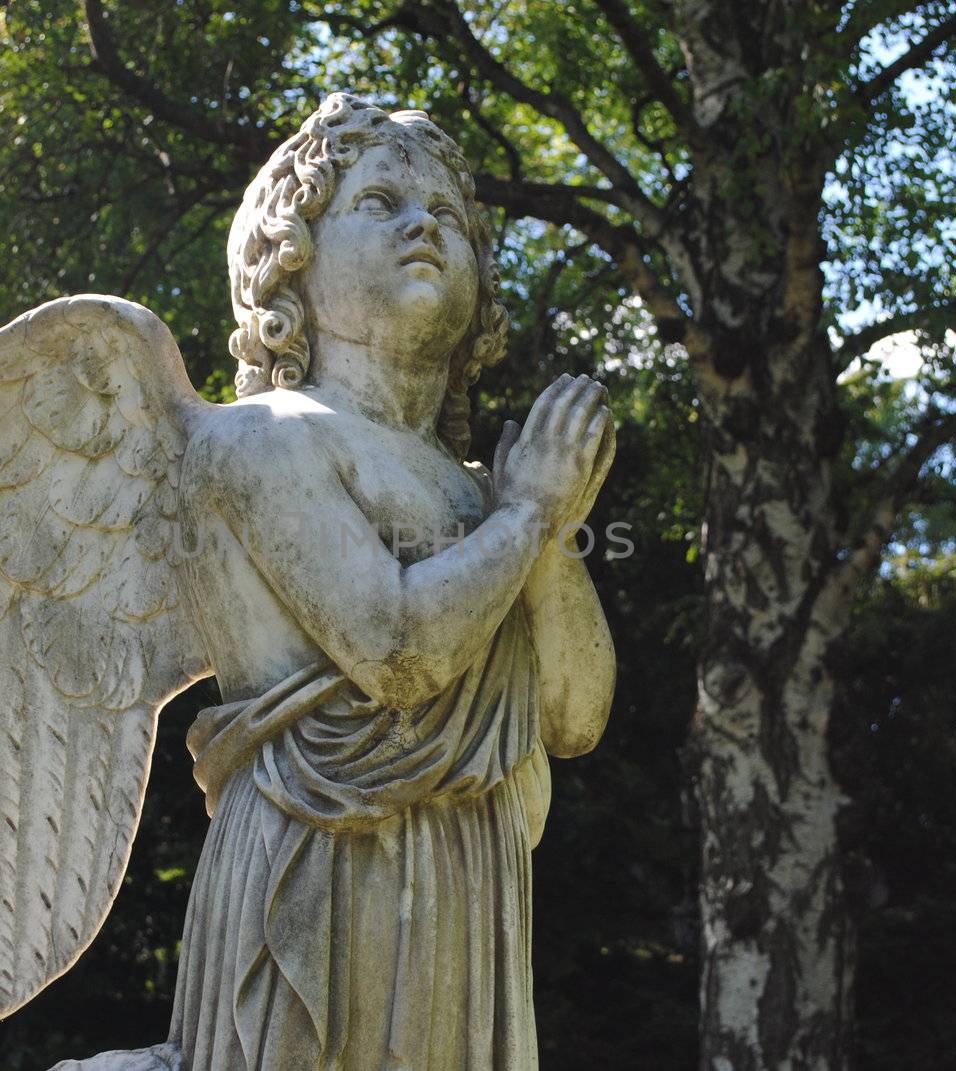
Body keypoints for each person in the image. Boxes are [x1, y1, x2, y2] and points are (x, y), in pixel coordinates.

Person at [158, 92, 617, 1070]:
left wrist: (550, 530)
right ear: (290, 258)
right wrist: (532, 517)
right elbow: (398, 650)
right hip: (316, 868)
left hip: (466, 876)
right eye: (380, 202)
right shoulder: (258, 440)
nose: (423, 224)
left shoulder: (493, 488)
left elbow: (574, 718)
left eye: (446, 213)